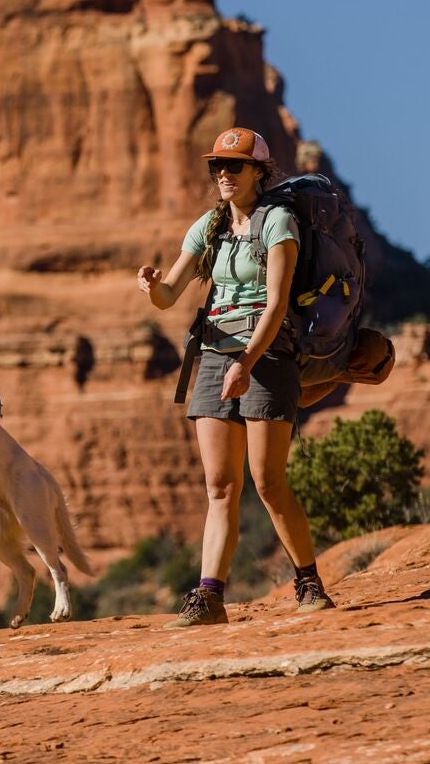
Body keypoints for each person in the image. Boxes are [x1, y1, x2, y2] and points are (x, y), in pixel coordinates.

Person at [136, 127, 335, 625]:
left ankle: (309, 582)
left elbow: (277, 303)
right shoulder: (209, 226)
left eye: (235, 165)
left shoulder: (279, 222)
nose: (224, 173)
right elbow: (169, 296)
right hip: (213, 352)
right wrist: (153, 286)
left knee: (267, 482)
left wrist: (246, 363)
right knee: (220, 486)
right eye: (217, 166)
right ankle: (210, 597)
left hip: (267, 354)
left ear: (259, 172)